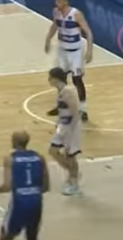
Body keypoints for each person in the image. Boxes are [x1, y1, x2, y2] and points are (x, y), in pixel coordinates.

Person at [44, 0, 93, 122]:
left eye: (59, 1)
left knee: (77, 80)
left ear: (66, 2)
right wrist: (48, 40)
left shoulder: (76, 14)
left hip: (75, 51)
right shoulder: (56, 12)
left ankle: (83, 110)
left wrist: (90, 51)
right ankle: (62, 105)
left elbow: (88, 32)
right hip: (62, 50)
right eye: (56, 1)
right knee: (60, 79)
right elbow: (54, 26)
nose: (57, 4)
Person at [0, 130, 50, 240]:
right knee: (32, 235)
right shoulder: (40, 157)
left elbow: (7, 186)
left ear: (14, 142)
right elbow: (46, 187)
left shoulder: (10, 159)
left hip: (19, 202)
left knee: (6, 234)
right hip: (36, 201)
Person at [47, 67, 82, 196]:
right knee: (53, 151)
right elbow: (64, 107)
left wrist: (70, 133)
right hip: (63, 125)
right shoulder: (62, 91)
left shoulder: (68, 91)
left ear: (55, 79)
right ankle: (73, 173)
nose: (48, 80)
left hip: (71, 127)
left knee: (70, 155)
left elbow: (75, 113)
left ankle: (74, 182)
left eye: (50, 78)